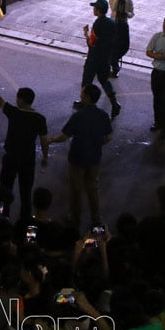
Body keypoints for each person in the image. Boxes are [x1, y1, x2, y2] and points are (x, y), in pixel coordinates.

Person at [0, 70, 49, 221]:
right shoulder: (40, 119)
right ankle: (26, 220)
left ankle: (1, 217)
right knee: (26, 192)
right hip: (28, 159)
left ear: (21, 100)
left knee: (4, 190)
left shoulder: (13, 112)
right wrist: (45, 157)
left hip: (10, 157)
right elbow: (44, 140)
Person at [49, 84, 113, 226]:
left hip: (77, 156)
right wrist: (97, 142)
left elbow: (64, 136)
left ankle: (75, 218)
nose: (80, 95)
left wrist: (51, 139)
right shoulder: (103, 115)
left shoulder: (78, 116)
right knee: (92, 187)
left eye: (82, 93)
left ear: (88, 97)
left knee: (76, 189)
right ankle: (96, 218)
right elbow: (109, 137)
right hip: (95, 157)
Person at [79, 0, 120, 118]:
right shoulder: (112, 23)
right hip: (105, 58)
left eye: (94, 8)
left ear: (98, 10)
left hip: (94, 58)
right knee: (104, 80)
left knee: (87, 80)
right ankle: (114, 103)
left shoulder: (97, 24)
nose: (93, 10)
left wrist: (86, 33)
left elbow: (91, 43)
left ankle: (83, 102)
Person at [108, 0, 134, 76]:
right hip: (113, 24)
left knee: (123, 46)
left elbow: (132, 13)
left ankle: (115, 62)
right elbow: (113, 8)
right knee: (111, 47)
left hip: (123, 25)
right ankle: (113, 65)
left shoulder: (129, 0)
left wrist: (127, 14)